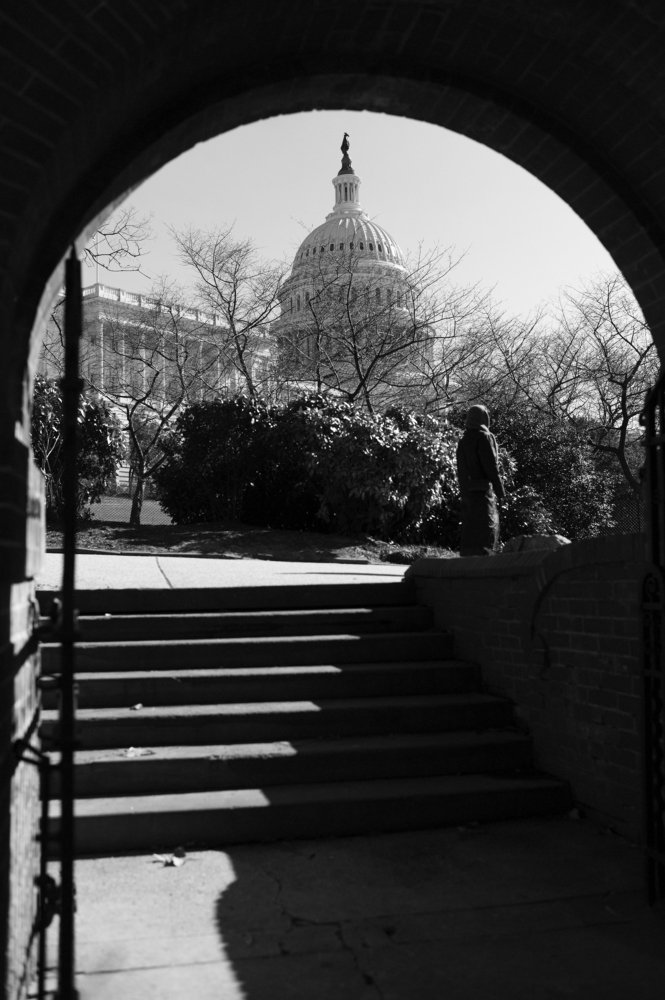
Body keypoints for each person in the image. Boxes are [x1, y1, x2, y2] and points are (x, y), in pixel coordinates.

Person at [456, 404, 506, 556]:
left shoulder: (463, 441)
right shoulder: (484, 437)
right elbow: (491, 467)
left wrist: (464, 492)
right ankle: (484, 562)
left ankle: (468, 558)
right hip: (484, 491)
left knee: (471, 528)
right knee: (487, 528)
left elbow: (461, 471)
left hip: (468, 491)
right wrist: (501, 492)